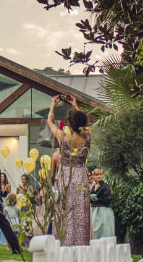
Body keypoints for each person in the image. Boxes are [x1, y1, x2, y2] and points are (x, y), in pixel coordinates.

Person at [46, 94, 92, 246]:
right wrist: (76, 106)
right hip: (81, 178)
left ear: (69, 124)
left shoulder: (63, 136)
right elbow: (84, 125)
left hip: (66, 177)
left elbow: (50, 122)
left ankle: (63, 243)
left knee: (64, 212)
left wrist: (53, 104)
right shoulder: (87, 137)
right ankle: (81, 244)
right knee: (81, 213)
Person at [90, 168, 115, 240]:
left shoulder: (105, 186)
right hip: (94, 210)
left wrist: (99, 199)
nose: (99, 176)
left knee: (104, 229)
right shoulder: (93, 187)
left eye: (100, 174)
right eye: (97, 175)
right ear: (94, 176)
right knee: (94, 229)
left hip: (103, 210)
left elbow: (109, 199)